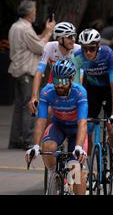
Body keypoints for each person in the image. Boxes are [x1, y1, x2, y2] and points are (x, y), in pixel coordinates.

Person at [25, 60, 88, 195]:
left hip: (76, 129)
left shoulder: (80, 92)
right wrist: (35, 146)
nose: (59, 85)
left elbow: (83, 122)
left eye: (64, 81)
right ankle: (55, 177)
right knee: (47, 147)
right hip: (58, 125)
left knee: (75, 170)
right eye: (56, 81)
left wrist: (78, 148)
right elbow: (41, 121)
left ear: (71, 79)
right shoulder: (47, 92)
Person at [72, 29, 113, 181]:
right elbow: (76, 84)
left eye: (91, 48)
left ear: (98, 46)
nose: (87, 52)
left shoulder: (108, 54)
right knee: (85, 126)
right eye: (84, 48)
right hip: (92, 90)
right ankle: (87, 165)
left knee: (111, 127)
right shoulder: (77, 57)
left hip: (109, 90)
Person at [8, 0, 55, 149]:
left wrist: (45, 32)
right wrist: (49, 32)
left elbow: (34, 41)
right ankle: (28, 140)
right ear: (29, 13)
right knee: (30, 105)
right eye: (34, 10)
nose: (36, 13)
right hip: (27, 71)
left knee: (19, 107)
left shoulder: (16, 26)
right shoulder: (25, 28)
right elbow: (41, 47)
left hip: (18, 70)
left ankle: (15, 139)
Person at [29, 22, 80, 115]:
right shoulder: (49, 47)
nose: (73, 40)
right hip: (54, 83)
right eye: (69, 37)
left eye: (74, 36)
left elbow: (79, 77)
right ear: (59, 39)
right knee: (46, 114)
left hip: (72, 84)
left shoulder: (77, 50)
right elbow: (39, 72)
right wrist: (34, 97)